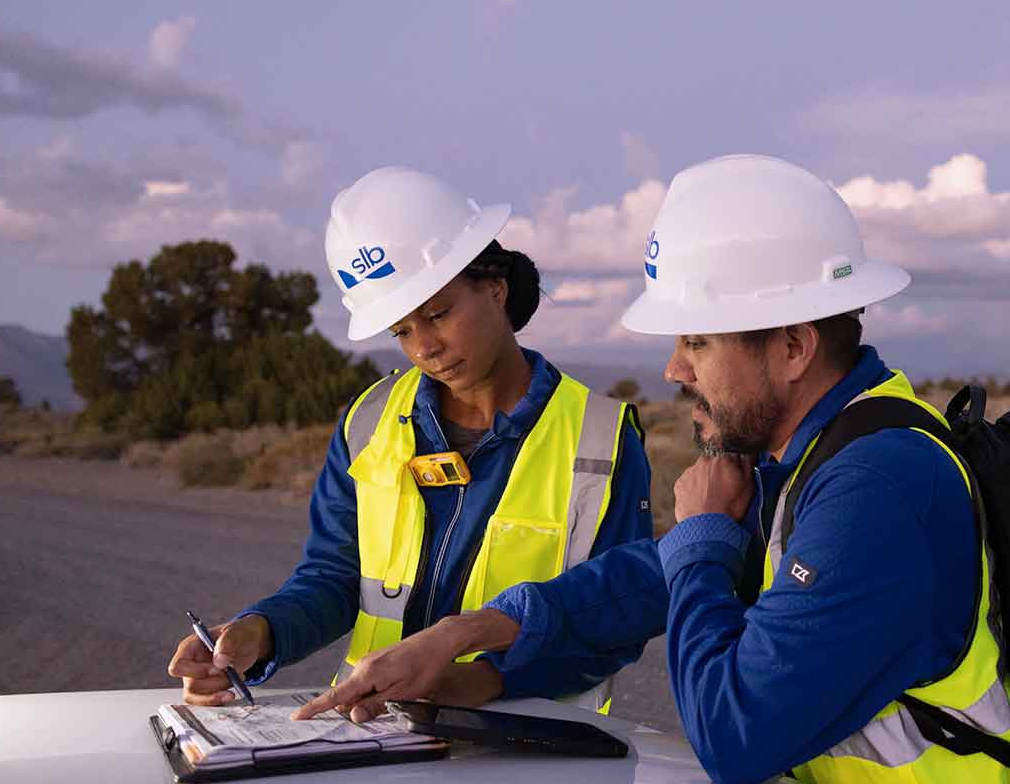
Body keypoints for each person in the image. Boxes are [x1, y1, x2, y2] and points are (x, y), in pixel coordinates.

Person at [296, 155, 1010, 784]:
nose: (674, 368)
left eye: (698, 342)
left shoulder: (877, 486)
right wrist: (468, 632)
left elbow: (733, 734)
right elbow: (645, 580)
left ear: (792, 346)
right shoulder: (811, 455)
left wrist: (704, 535)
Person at [168, 166, 652, 711]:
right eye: (401, 329)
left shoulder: (602, 440)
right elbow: (334, 577)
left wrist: (474, 682)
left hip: (529, 746)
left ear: (495, 288)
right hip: (373, 736)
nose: (425, 347)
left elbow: (618, 614)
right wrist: (260, 632)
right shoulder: (369, 422)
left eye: (438, 314)